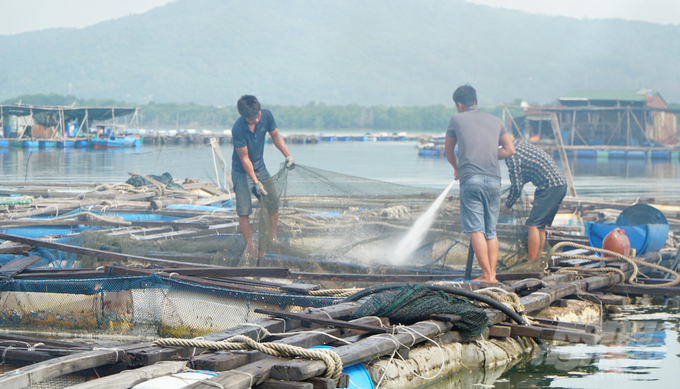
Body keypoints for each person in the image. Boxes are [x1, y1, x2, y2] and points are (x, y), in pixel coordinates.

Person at [445, 84, 515, 284]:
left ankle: (486, 276)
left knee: (477, 229)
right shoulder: (496, 121)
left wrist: (457, 169)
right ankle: (492, 276)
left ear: (460, 104)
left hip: (471, 180)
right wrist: (491, 153)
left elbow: (449, 151)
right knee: (491, 231)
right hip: (494, 180)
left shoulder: (456, 119)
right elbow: (510, 150)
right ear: (475, 101)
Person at [231, 95, 295, 256]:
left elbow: (275, 136)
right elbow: (244, 158)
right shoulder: (238, 129)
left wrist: (287, 155)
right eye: (253, 119)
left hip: (261, 168)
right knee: (244, 211)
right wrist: (255, 182)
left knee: (273, 203)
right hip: (242, 172)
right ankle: (251, 247)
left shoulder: (266, 115)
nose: (258, 120)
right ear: (244, 117)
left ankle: (273, 239)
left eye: (258, 115)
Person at [502, 140, 568, 262]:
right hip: (560, 184)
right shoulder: (519, 144)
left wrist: (508, 205)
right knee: (540, 226)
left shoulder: (511, 156)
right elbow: (525, 175)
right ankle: (536, 261)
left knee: (532, 225)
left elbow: (516, 186)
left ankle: (531, 263)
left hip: (550, 186)